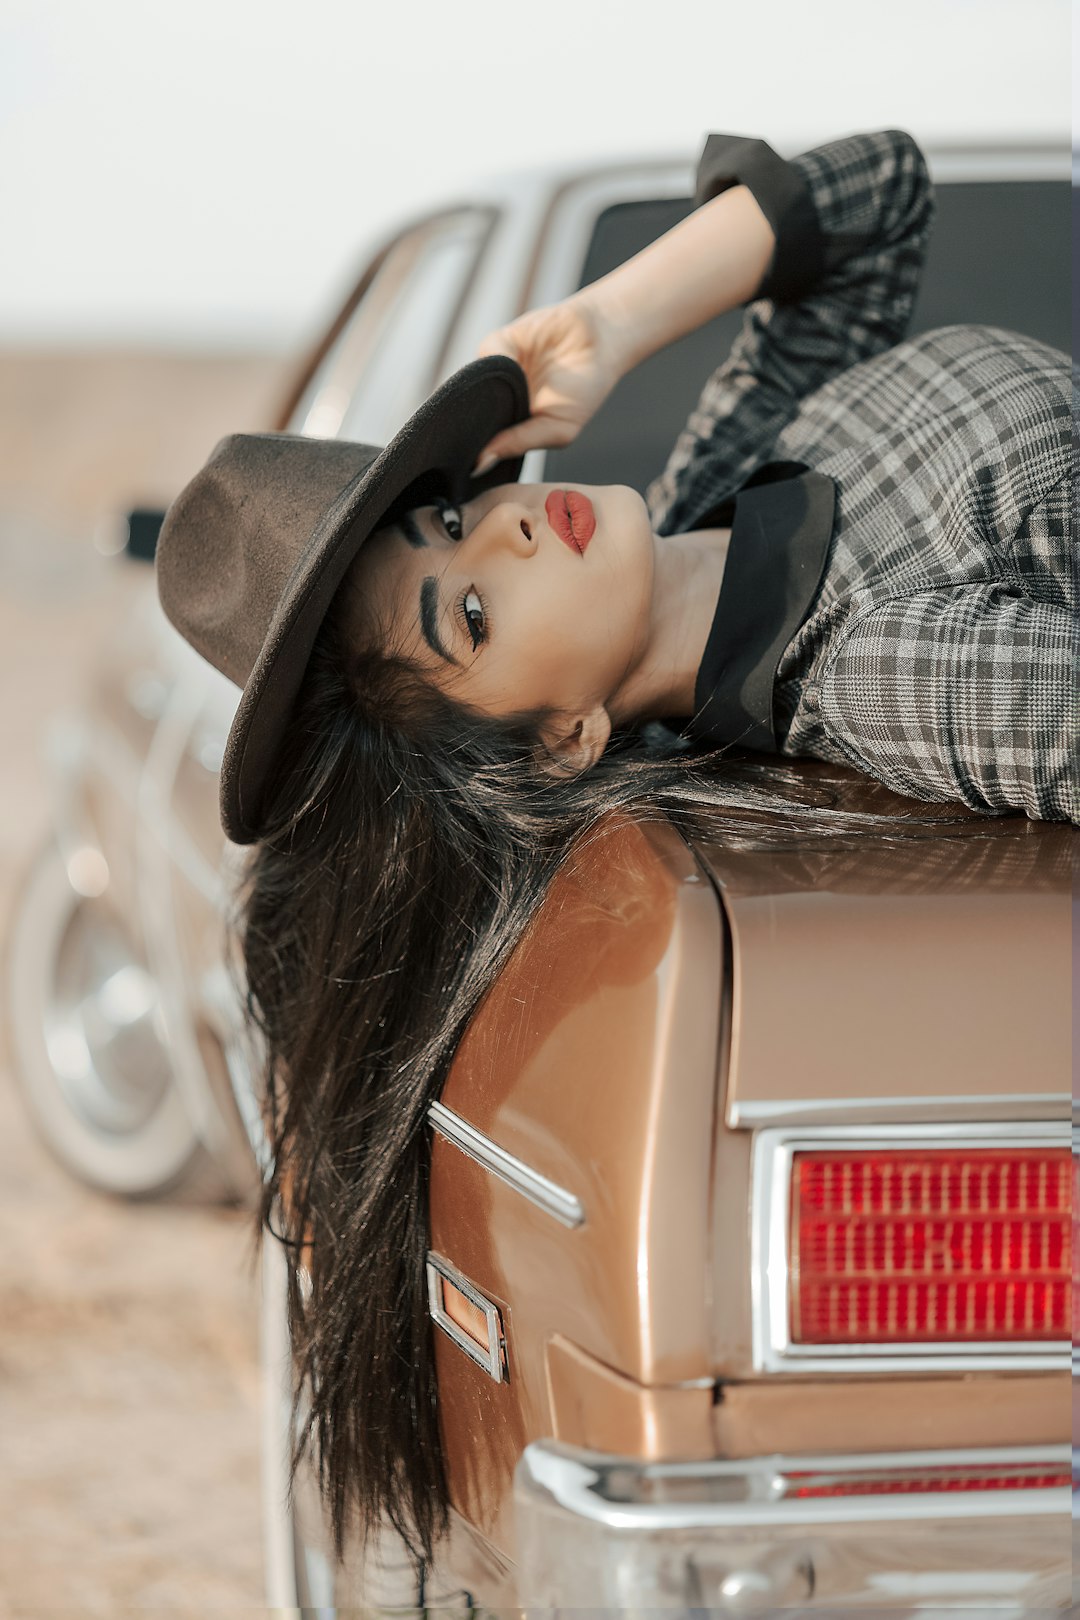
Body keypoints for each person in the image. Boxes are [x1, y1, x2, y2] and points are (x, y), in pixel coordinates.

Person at [154, 125, 1077, 1579]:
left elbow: (880, 195)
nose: (511, 536)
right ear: (569, 739)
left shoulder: (728, 482)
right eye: (466, 615)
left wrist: (609, 322)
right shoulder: (877, 669)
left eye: (452, 516)